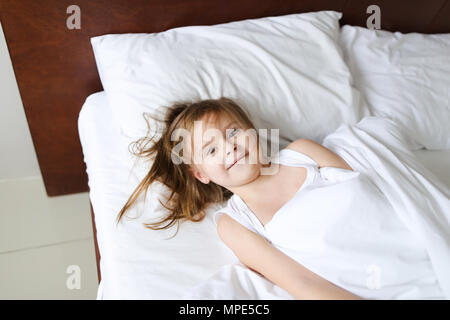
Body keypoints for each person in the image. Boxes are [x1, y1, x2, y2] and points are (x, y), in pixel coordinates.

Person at [116, 97, 441, 300]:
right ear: (201, 174)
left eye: (232, 132)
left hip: (423, 247)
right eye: (211, 149)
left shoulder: (301, 153)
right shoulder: (235, 223)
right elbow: (300, 282)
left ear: (254, 133)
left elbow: (377, 194)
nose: (229, 147)